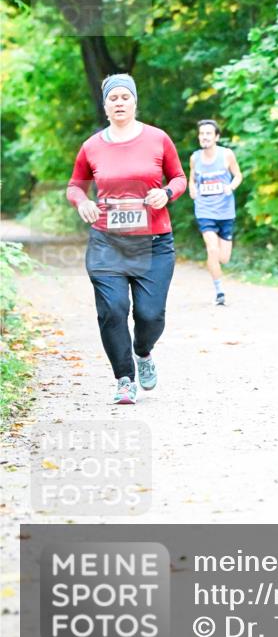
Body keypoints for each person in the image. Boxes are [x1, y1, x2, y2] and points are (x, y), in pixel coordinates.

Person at [66, 74, 186, 405]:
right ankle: (124, 379)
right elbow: (75, 185)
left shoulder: (158, 139)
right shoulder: (91, 146)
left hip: (154, 243)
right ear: (105, 106)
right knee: (112, 310)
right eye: (113, 98)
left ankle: (143, 351)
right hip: (107, 243)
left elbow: (178, 177)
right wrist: (83, 202)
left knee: (150, 315)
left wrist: (166, 193)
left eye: (125, 97)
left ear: (134, 102)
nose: (119, 103)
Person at [189, 119, 242, 305]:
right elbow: (192, 179)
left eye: (208, 134)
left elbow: (238, 175)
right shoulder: (195, 158)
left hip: (225, 212)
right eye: (202, 133)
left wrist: (230, 187)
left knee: (223, 258)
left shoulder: (226, 155)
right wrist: (192, 189)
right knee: (212, 249)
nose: (204, 137)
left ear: (216, 137)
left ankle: (216, 267)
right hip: (205, 210)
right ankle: (220, 292)